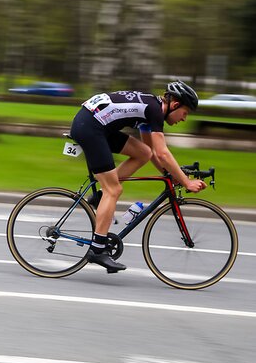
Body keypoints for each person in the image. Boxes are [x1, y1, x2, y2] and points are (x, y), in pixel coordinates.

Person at [69, 81, 206, 272]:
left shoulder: (152, 109)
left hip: (94, 123)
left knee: (142, 153)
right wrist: (186, 181)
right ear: (175, 105)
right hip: (91, 127)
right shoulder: (155, 111)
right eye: (185, 112)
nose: (184, 118)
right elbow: (163, 153)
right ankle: (97, 249)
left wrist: (169, 174)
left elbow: (152, 151)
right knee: (114, 189)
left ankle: (100, 197)